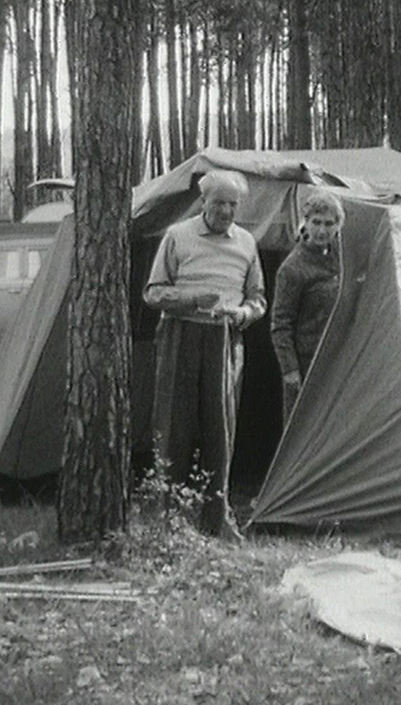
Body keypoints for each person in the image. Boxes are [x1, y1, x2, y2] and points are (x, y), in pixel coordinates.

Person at [143, 169, 267, 540]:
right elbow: (153, 292)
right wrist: (190, 300)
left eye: (232, 204)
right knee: (174, 423)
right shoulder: (178, 236)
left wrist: (243, 314)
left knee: (220, 427)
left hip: (225, 338)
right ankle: (170, 517)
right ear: (204, 203)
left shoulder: (246, 243)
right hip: (181, 333)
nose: (226, 211)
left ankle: (217, 517)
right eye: (219, 203)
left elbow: (257, 298)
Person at [270, 190, 344, 421]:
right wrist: (290, 371)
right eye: (316, 222)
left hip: (340, 358)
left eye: (329, 224)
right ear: (306, 222)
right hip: (307, 362)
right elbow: (281, 325)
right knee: (302, 428)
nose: (322, 231)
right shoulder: (293, 268)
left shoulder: (342, 257)